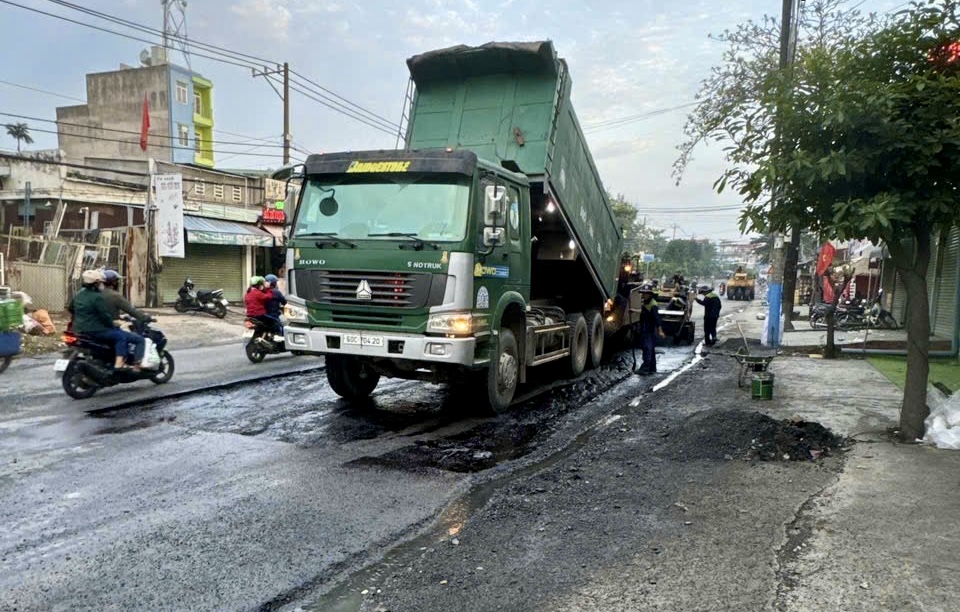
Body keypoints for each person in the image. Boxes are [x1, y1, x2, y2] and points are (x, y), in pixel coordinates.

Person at [67, 270, 138, 371]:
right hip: (95, 331)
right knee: (121, 336)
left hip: (78, 330)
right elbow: (104, 316)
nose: (101, 285)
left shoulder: (78, 294)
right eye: (100, 282)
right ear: (96, 283)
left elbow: (71, 309)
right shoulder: (97, 297)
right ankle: (119, 364)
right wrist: (112, 325)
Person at [100, 269, 151, 368]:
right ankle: (136, 366)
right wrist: (145, 317)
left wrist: (119, 317)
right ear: (114, 282)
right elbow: (131, 310)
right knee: (139, 340)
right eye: (117, 281)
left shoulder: (96, 294)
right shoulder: (115, 296)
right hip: (108, 328)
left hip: (97, 327)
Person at [636, 287, 666, 375]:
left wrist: (660, 331)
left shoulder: (653, 305)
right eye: (642, 293)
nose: (643, 295)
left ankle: (645, 369)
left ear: (649, 294)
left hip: (649, 330)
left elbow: (657, 319)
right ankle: (652, 368)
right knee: (651, 349)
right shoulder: (647, 303)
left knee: (647, 349)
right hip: (646, 328)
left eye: (645, 294)